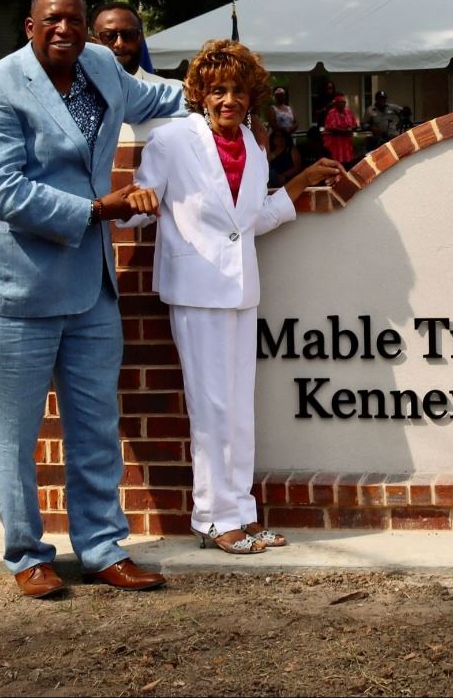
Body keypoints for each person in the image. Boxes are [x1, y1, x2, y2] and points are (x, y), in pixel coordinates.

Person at [0, 0, 185, 598]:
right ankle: (28, 554)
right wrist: (95, 209)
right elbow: (0, 191)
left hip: (89, 289)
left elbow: (156, 95)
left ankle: (103, 548)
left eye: (76, 20)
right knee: (16, 434)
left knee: (95, 425)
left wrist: (222, 91)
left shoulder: (102, 66)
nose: (66, 30)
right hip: (13, 289)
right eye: (52, 20)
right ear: (30, 27)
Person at [129, 40, 344, 553]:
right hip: (197, 290)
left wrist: (302, 182)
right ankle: (211, 517)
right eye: (218, 90)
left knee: (239, 409)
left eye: (239, 92)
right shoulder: (171, 141)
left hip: (242, 289)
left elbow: (252, 222)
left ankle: (242, 514)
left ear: (252, 99)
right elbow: (140, 206)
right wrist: (137, 201)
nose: (229, 100)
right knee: (211, 408)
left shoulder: (251, 144)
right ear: (201, 93)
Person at [91, 1, 168, 83]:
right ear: (94, 43)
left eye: (129, 34)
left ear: (141, 38)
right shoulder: (79, 93)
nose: (119, 44)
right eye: (109, 36)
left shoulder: (173, 92)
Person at [323, 93, 358, 164]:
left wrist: (351, 128)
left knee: (348, 164)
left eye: (344, 102)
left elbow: (355, 125)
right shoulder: (332, 113)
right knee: (337, 164)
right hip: (336, 144)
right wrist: (345, 131)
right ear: (336, 103)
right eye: (341, 102)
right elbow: (331, 128)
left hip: (347, 145)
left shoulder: (348, 112)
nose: (343, 104)